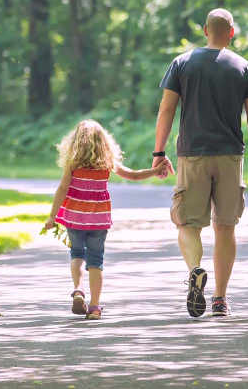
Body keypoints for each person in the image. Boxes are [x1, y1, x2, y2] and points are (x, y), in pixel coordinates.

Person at [152, 8, 248, 317]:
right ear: (232, 32)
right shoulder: (245, 68)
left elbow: (166, 110)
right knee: (225, 227)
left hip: (193, 154)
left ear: (205, 30)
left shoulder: (182, 63)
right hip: (231, 156)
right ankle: (220, 299)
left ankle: (195, 269)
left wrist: (159, 152)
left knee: (187, 223)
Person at [42, 119, 166, 320]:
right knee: (96, 261)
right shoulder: (107, 162)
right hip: (98, 220)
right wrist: (154, 171)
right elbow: (132, 175)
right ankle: (94, 307)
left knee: (76, 254)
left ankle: (78, 289)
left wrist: (52, 216)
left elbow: (63, 188)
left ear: (76, 142)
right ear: (104, 142)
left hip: (75, 218)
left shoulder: (73, 164)